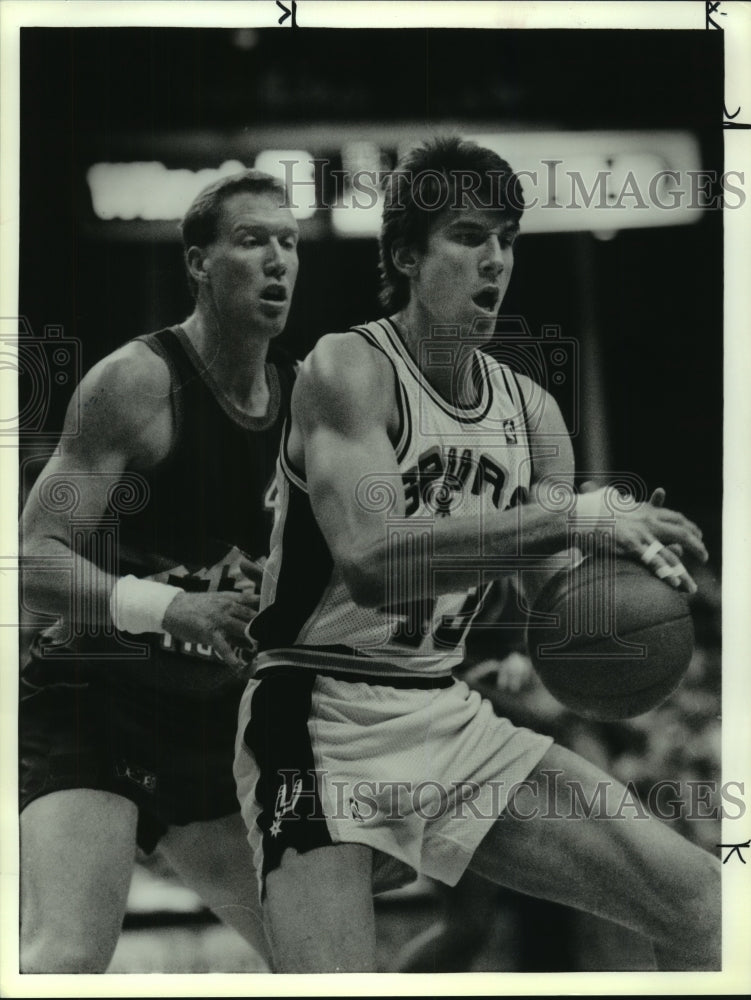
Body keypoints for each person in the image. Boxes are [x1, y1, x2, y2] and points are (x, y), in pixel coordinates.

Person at [234, 137, 721, 973]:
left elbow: (546, 591)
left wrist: (624, 599)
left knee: (705, 909)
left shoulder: (530, 412)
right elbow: (374, 562)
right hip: (313, 715)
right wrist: (572, 517)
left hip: (443, 710)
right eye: (466, 235)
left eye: (506, 238)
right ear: (403, 256)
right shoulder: (348, 368)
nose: (493, 258)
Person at [19, 168, 300, 972]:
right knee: (69, 954)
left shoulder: (308, 403)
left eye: (287, 242)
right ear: (198, 263)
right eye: (252, 242)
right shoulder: (137, 382)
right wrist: (168, 608)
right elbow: (28, 557)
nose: (277, 260)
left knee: (321, 957)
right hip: (92, 703)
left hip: (208, 726)